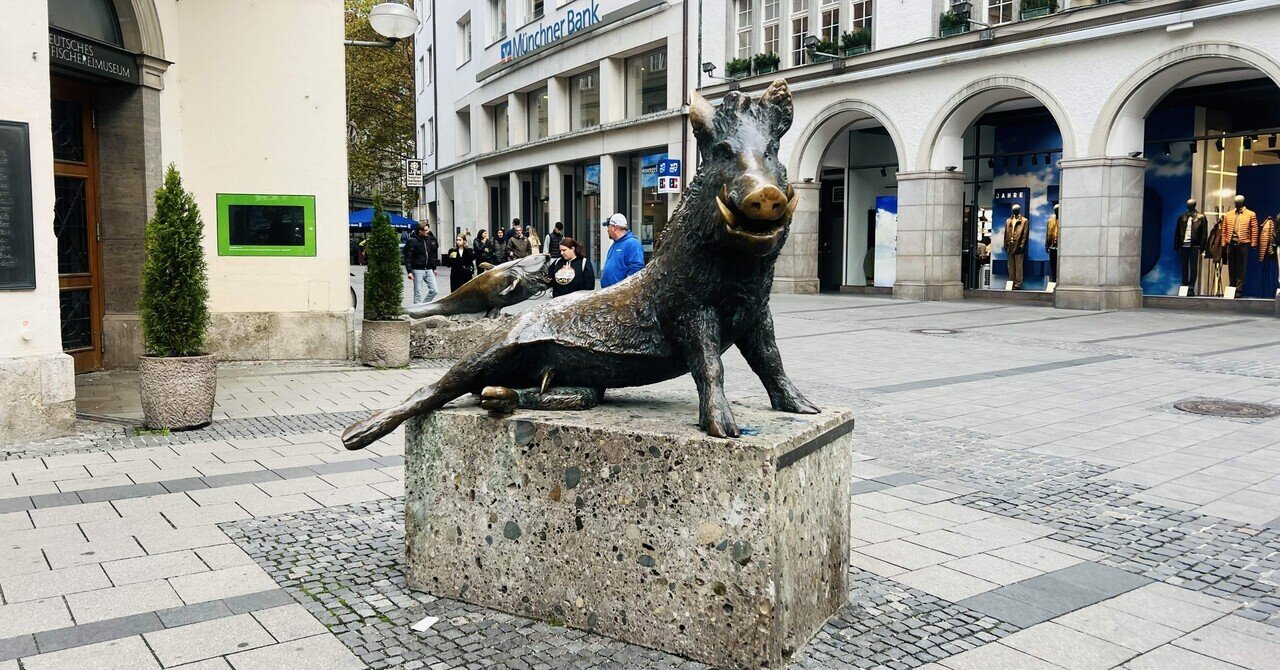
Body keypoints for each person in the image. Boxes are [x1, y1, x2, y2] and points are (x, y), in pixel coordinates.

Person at [600, 213, 644, 288]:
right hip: (609, 292)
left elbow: (636, 269)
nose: (607, 230)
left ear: (614, 228)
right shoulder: (615, 244)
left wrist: (625, 289)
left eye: (608, 227)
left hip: (620, 294)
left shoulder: (633, 243)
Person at [403, 222, 439, 304]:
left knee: (434, 290)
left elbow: (431, 254)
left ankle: (423, 305)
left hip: (428, 269)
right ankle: (417, 309)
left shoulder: (428, 239)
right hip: (417, 269)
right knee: (417, 293)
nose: (427, 231)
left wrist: (434, 268)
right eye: (425, 230)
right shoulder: (412, 241)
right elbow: (408, 257)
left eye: (428, 230)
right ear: (420, 231)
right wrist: (409, 272)